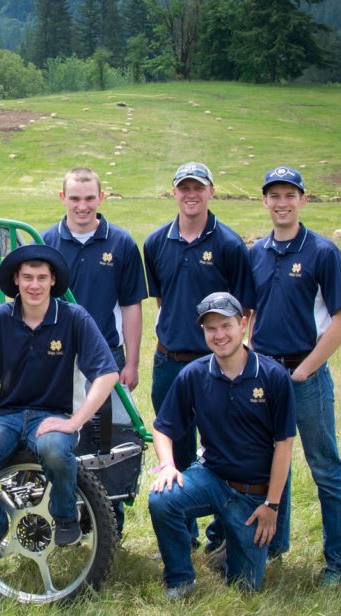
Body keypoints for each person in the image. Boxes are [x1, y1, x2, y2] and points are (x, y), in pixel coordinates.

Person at [0, 244, 120, 566]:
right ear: (16, 279)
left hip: (53, 416)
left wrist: (75, 422)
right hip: (7, 416)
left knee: (56, 452)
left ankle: (65, 516)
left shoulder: (73, 318)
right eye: (27, 277)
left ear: (52, 280)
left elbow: (108, 373)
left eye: (41, 277)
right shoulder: (0, 319)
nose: (34, 285)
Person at [148, 292, 295, 598]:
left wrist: (271, 506)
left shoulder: (273, 377)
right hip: (212, 477)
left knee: (244, 589)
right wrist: (167, 465)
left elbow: (284, 445)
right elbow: (163, 428)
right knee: (162, 499)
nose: (219, 335)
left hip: (253, 494)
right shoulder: (194, 374)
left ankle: (234, 542)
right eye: (210, 328)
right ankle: (180, 580)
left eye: (226, 326)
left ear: (243, 324)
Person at [250, 166, 341, 587]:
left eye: (289, 195)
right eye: (274, 195)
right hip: (268, 374)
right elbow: (251, 313)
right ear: (265, 201)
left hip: (304, 378)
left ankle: (338, 564)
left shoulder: (323, 253)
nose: (281, 202)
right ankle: (275, 546)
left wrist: (304, 371)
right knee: (274, 464)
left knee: (325, 467)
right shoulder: (256, 252)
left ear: (303, 200)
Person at [143, 162, 256, 547]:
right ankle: (183, 531)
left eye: (198, 187)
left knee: (223, 448)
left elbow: (243, 310)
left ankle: (222, 533)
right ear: (173, 192)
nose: (191, 194)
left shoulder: (228, 244)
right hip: (168, 361)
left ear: (211, 192)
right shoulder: (156, 242)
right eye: (183, 187)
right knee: (175, 445)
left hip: (214, 365)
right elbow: (162, 299)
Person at [41, 166, 147, 534]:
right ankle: (64, 518)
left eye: (89, 198)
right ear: (62, 198)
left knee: (106, 444)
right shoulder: (45, 242)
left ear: (102, 198)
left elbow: (131, 306)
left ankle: (109, 525)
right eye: (75, 198)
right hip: (57, 363)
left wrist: (131, 362)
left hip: (105, 361)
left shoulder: (121, 243)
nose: (82, 206)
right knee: (59, 438)